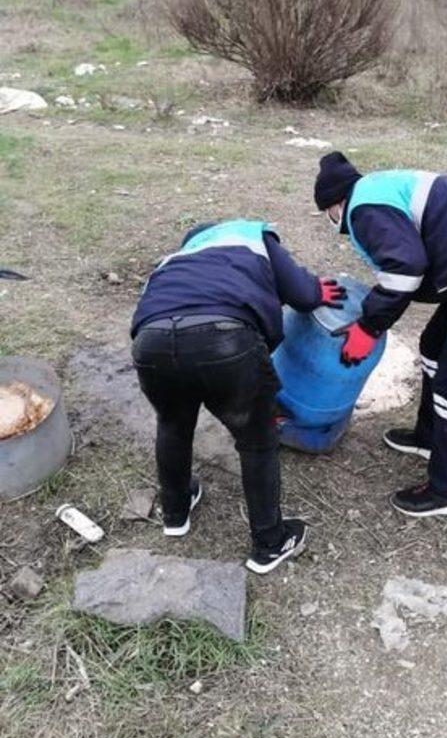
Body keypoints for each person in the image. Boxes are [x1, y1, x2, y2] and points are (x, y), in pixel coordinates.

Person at [314, 153, 447, 518]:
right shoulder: (373, 191)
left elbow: (405, 269)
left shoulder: (362, 210)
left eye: (327, 214)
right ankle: (428, 437)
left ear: (334, 204)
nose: (331, 220)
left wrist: (369, 327)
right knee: (433, 346)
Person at [130, 219, 346, 575]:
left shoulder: (174, 261)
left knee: (172, 422)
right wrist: (315, 289)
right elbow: (305, 295)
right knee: (256, 440)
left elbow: (152, 309)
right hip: (224, 338)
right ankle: (270, 542)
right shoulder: (252, 236)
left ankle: (176, 511)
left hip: (151, 342)